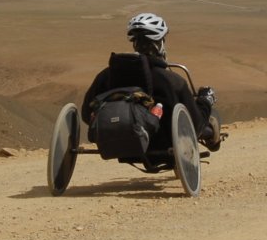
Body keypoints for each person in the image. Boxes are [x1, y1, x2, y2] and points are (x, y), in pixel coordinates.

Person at [81, 11, 224, 152]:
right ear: (160, 42)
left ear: (134, 43)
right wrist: (205, 101)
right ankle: (212, 135)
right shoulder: (172, 81)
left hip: (115, 143)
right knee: (208, 118)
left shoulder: (107, 75)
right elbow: (196, 125)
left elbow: (87, 114)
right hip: (163, 145)